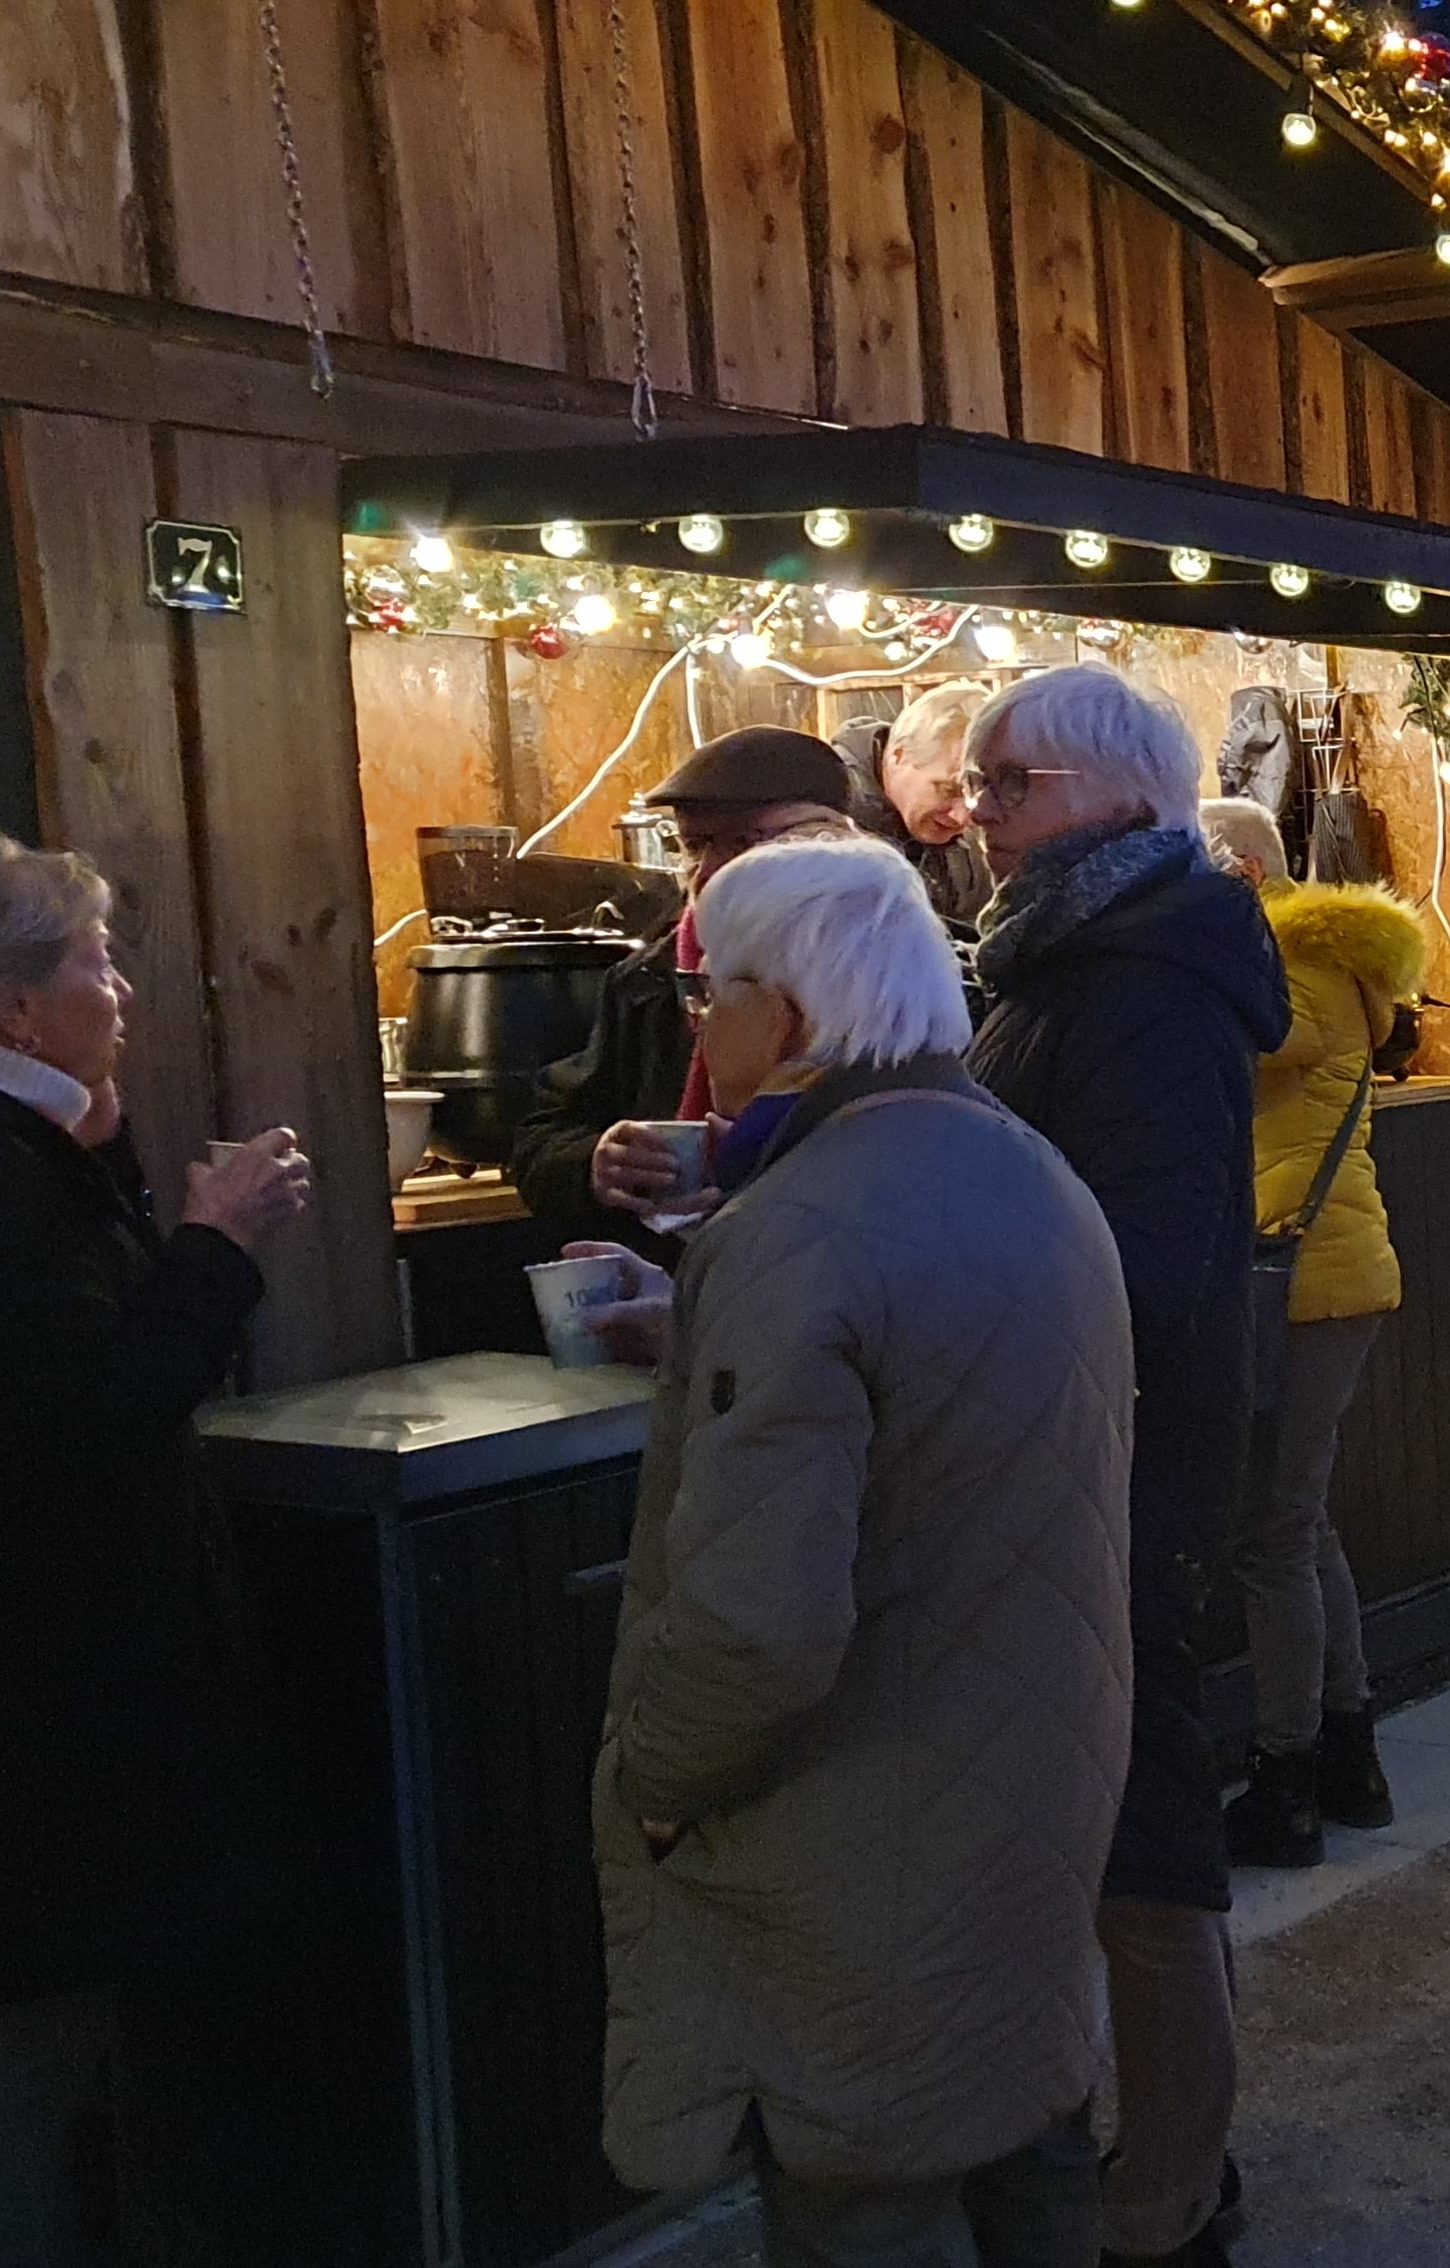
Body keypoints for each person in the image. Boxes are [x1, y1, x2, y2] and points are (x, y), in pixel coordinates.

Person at [570, 836, 1134, 2268]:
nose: (700, 1028)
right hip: (1028, 1770)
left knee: (860, 2190)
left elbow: (760, 1624)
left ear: (797, 1019)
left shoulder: (797, 1230)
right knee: (1022, 2140)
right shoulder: (1036, 1173)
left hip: (857, 1816)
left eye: (712, 997)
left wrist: (654, 1780)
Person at [0, 835, 314, 2266]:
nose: (121, 987)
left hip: (17, 1681)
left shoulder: (8, 1140)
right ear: (15, 1007)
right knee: (20, 2048)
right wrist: (220, 1242)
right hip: (25, 1689)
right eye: (95, 962)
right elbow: (101, 1401)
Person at [958, 665, 1288, 2268]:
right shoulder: (1078, 956)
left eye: (1008, 781)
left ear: (1112, 793)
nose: (978, 809)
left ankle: (1169, 2190)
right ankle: (1154, 2161)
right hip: (1083, 1434)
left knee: (1144, 1812)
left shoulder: (1137, 977)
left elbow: (1144, 1261)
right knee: (1108, 1802)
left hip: (1124, 1446)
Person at [1222, 857, 1426, 1869]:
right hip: (1327, 1275)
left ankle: (1287, 1777)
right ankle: (1350, 1755)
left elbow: (1249, 1044)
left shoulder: (1292, 966)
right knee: (1301, 1526)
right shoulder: (1334, 965)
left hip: (1300, 1280)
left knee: (1273, 1537)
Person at [505, 727, 856, 1239]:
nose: (712, 869)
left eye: (745, 841)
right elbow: (542, 1132)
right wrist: (597, 1162)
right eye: (695, 844)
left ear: (830, 839)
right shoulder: (649, 979)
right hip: (678, 1287)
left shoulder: (887, 978)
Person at [842, 679, 997, 924]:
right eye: (948, 789)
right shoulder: (825, 824)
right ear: (898, 756)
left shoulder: (964, 852)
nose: (963, 817)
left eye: (975, 796)